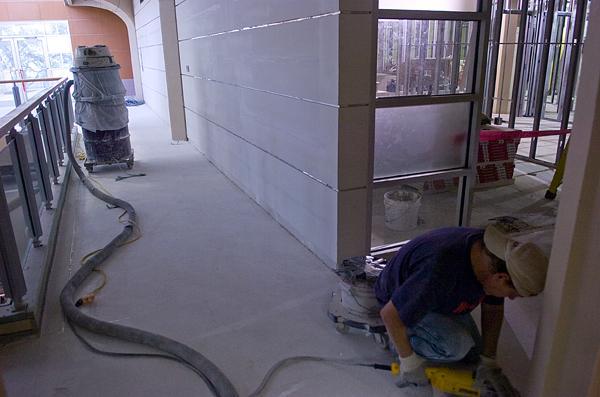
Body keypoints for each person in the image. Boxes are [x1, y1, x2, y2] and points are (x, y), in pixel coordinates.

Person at [374, 223, 551, 396]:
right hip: (397, 298)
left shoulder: (494, 260)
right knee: (457, 346)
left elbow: (493, 309)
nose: (511, 298)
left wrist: (489, 361)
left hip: (435, 298)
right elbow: (389, 315)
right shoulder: (441, 270)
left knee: (473, 353)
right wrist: (409, 363)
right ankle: (398, 343)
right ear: (501, 278)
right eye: (513, 293)